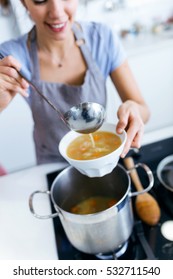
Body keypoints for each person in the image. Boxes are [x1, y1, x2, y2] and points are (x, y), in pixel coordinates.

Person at [0, 0, 150, 166]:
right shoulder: (10, 58)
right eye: (40, 0)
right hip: (51, 165)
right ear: (24, 3)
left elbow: (143, 109)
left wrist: (134, 109)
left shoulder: (101, 38)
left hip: (100, 159)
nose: (56, 12)